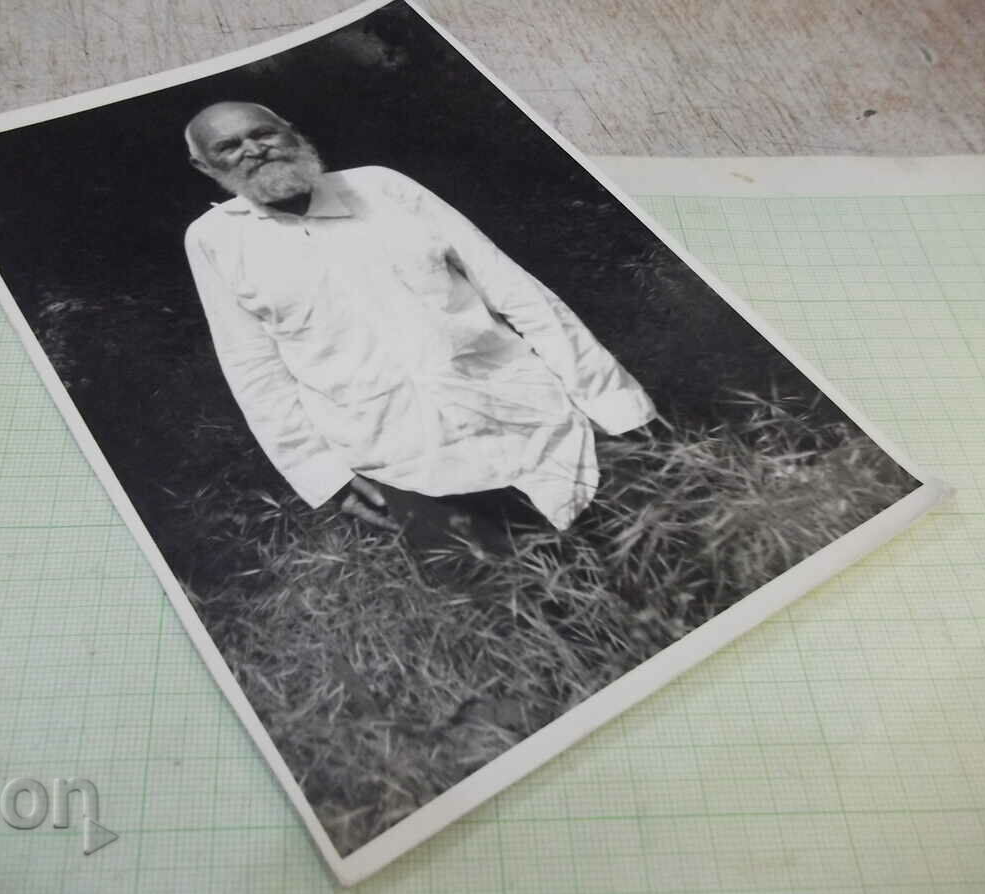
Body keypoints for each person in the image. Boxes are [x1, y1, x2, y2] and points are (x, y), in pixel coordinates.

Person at [182, 101, 656, 558]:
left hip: (530, 413)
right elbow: (254, 371)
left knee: (650, 559)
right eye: (229, 146)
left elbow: (515, 291)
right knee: (523, 613)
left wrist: (612, 404)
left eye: (263, 133)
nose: (254, 149)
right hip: (404, 460)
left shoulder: (381, 188)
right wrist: (324, 475)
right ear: (204, 166)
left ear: (290, 130)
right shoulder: (213, 241)